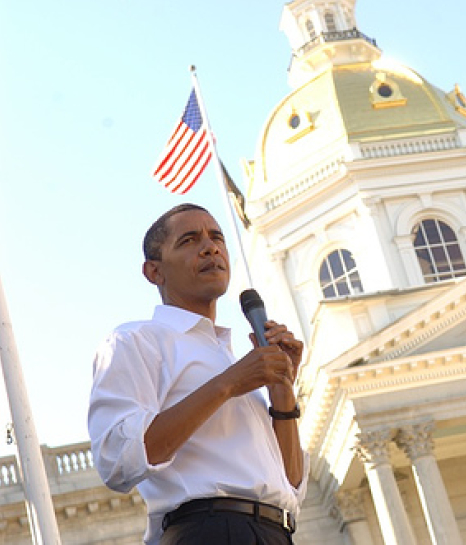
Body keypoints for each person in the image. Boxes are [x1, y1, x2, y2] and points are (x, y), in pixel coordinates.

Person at [88, 203, 308, 545]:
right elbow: (117, 459)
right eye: (189, 240)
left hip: (276, 530)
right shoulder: (135, 341)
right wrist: (229, 383)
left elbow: (290, 481)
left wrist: (282, 392)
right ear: (154, 272)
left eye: (217, 237)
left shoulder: (229, 358)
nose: (211, 247)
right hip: (209, 530)